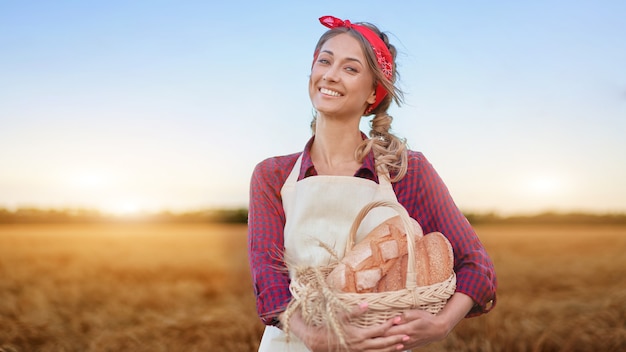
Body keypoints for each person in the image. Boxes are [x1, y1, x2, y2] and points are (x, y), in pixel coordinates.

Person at [248, 15, 497, 352]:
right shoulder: (272, 174)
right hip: (292, 345)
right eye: (325, 61)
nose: (331, 74)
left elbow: (476, 264)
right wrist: (315, 337)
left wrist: (441, 324)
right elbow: (268, 278)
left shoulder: (406, 171)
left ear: (372, 93)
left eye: (351, 69)